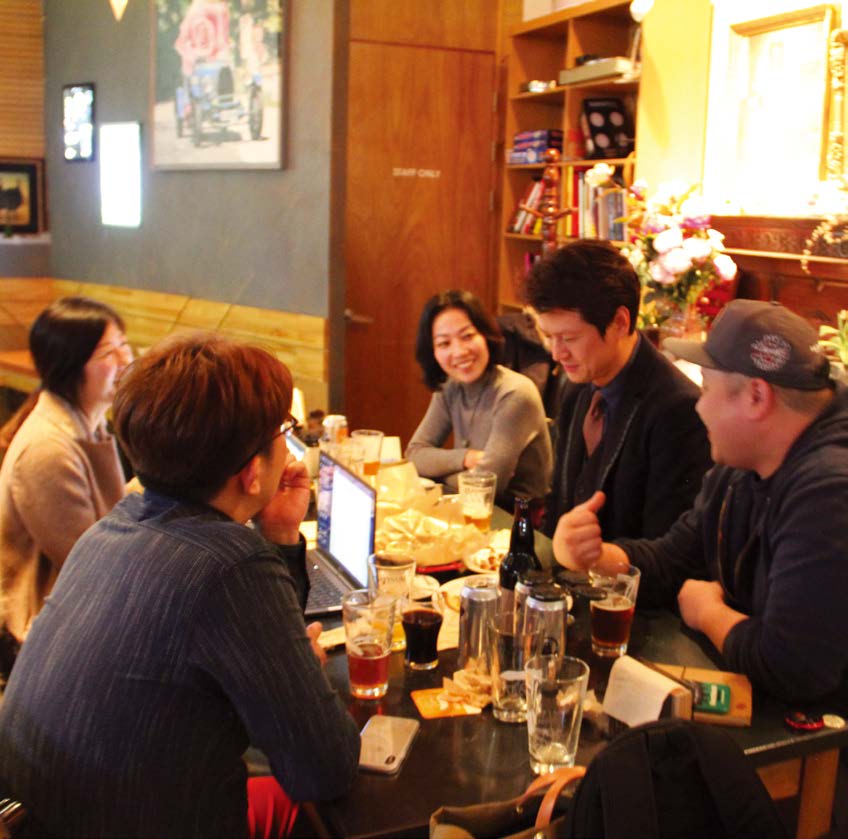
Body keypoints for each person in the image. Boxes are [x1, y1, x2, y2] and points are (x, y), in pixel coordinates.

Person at [0, 334, 360, 837]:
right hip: (138, 823)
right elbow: (324, 768)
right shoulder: (230, 567)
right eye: (284, 429)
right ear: (251, 472)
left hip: (42, 816)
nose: (288, 442)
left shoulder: (115, 525)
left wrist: (279, 534)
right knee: (319, 817)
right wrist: (301, 675)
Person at [555, 300, 848, 705]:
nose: (698, 404)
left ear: (756, 397)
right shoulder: (743, 458)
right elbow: (676, 557)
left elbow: (793, 665)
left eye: (707, 389)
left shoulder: (829, 491)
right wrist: (596, 557)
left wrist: (708, 613)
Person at [522, 239, 711, 539]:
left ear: (620, 322)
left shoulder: (676, 409)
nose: (557, 354)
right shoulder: (577, 387)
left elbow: (668, 545)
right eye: (549, 337)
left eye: (569, 338)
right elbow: (559, 502)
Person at [0, 296, 132, 682]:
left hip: (75, 609)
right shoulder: (49, 449)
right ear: (70, 366)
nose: (125, 360)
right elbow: (89, 564)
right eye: (109, 352)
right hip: (37, 633)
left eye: (125, 344)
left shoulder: (86, 422)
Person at [405, 289, 553, 504]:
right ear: (433, 352)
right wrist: (467, 458)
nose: (459, 352)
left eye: (467, 336)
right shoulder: (449, 387)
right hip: (469, 507)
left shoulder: (515, 393)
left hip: (518, 515)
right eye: (444, 343)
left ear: (486, 335)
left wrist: (438, 474)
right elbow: (414, 454)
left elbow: (485, 488)